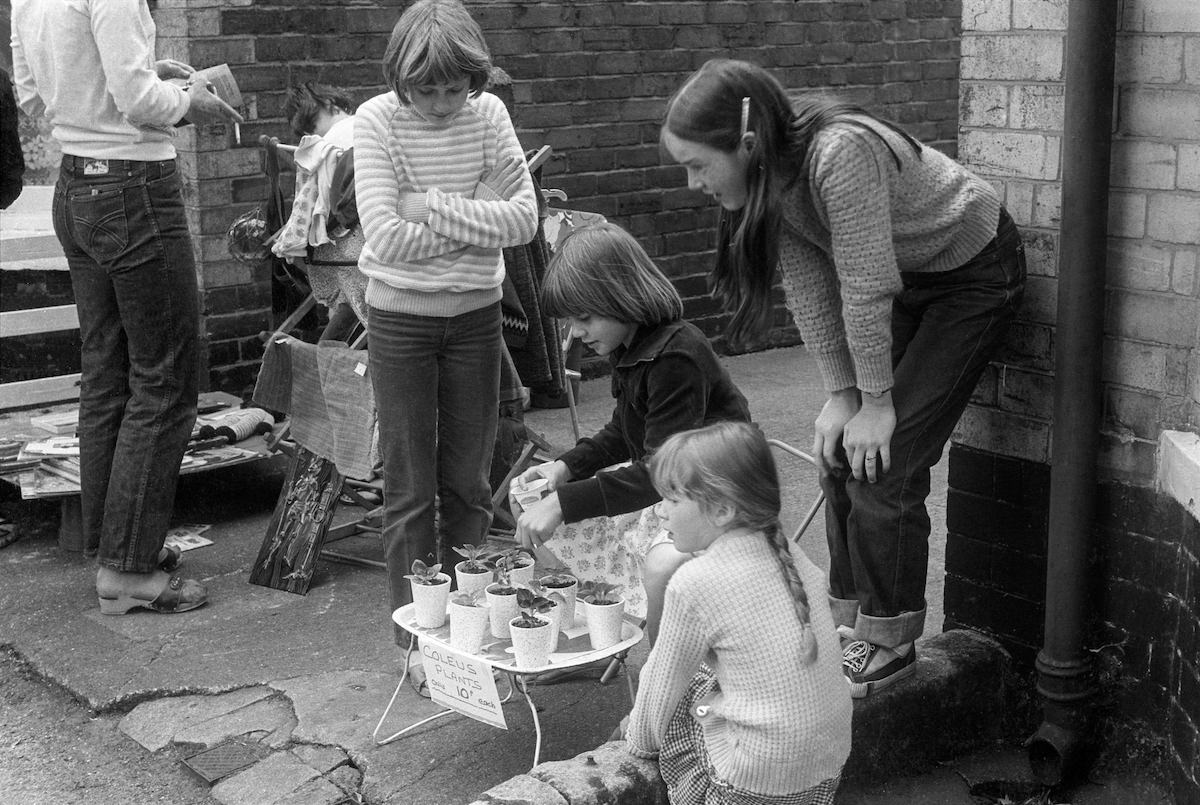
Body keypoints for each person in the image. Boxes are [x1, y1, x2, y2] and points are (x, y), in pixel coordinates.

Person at [660, 59, 1026, 697]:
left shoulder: (840, 154)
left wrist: (878, 402)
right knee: (837, 447)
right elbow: (811, 286)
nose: (693, 183)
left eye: (697, 165)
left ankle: (891, 639)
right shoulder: (775, 175)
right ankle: (848, 616)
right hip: (906, 280)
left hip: (971, 276)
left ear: (745, 145)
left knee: (887, 457)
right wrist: (841, 395)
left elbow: (864, 287)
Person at [11, 0, 243, 614]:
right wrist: (190, 101)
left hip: (75, 187)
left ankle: (114, 547)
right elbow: (140, 104)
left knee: (107, 376)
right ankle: (129, 572)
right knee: (165, 381)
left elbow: (34, 96)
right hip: (133, 187)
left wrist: (144, 73)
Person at [353, 0, 539, 654]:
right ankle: (417, 641)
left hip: (476, 320)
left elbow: (522, 222)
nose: (438, 103)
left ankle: (464, 633)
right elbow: (383, 234)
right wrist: (472, 216)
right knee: (409, 489)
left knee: (468, 483)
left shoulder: (489, 114)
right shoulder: (375, 121)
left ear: (475, 80)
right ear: (400, 79)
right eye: (423, 89)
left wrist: (428, 205)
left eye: (452, 88)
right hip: (399, 319)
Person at [513, 221, 752, 645]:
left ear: (621, 297)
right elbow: (625, 431)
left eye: (584, 318)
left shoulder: (676, 355)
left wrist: (564, 504)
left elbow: (659, 470)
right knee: (530, 503)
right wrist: (564, 468)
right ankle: (595, 635)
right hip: (673, 486)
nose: (577, 334)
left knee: (658, 566)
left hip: (716, 494)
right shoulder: (632, 345)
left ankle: (659, 663)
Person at [624, 421, 853, 805]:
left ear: (723, 510)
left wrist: (637, 742)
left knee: (685, 691)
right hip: (825, 769)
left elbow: (660, 684)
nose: (660, 512)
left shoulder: (693, 583)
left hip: (750, 784)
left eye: (672, 500)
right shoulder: (791, 555)